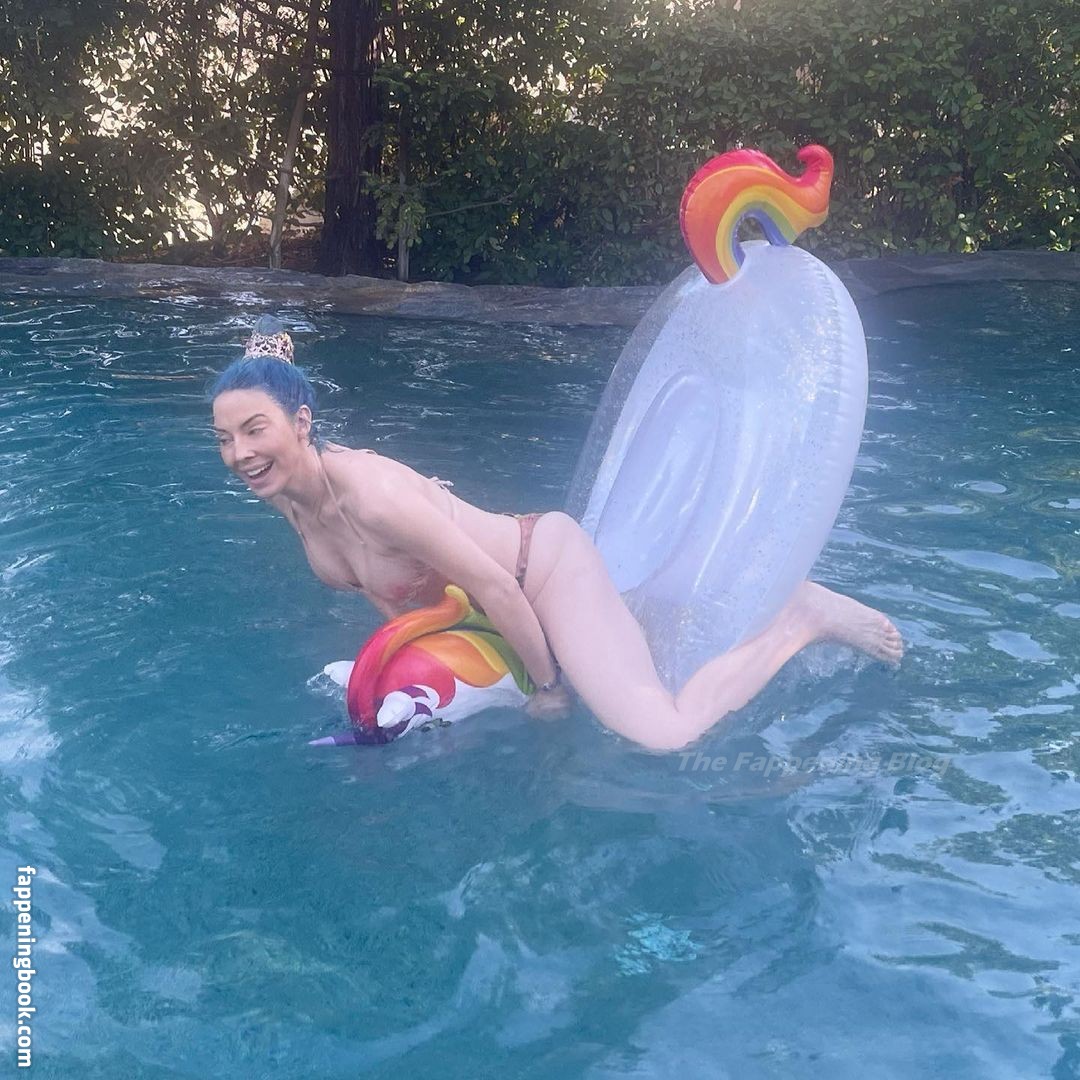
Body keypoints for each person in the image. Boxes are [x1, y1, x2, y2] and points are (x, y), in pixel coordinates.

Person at [209, 319, 903, 752]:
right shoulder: (292, 503)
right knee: (627, 653)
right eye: (224, 438)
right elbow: (400, 605)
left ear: (302, 423)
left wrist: (544, 688)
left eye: (254, 430)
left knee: (662, 732)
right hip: (490, 610)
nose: (240, 454)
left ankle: (796, 618)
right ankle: (634, 616)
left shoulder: (373, 495)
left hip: (536, 572)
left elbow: (491, 583)